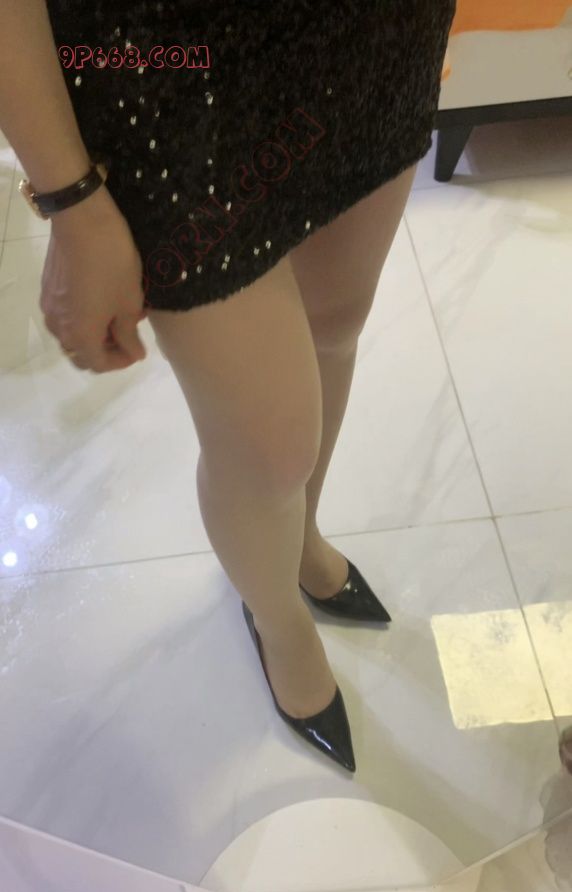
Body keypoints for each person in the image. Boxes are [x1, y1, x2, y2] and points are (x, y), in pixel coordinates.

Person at [0, 0, 457, 773]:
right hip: (163, 72)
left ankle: (301, 542)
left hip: (378, 32)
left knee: (336, 325)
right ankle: (279, 622)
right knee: (268, 451)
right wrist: (71, 200)